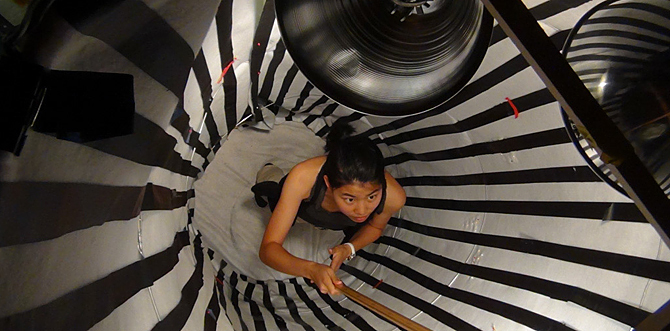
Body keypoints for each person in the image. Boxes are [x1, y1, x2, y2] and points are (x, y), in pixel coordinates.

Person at [252, 121, 406, 296]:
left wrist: (349, 247)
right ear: (328, 184)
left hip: (332, 221)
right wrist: (311, 269)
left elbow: (375, 227)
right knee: (271, 185)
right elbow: (268, 249)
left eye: (371, 197)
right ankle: (268, 172)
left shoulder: (394, 197)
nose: (362, 210)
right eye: (350, 199)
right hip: (303, 208)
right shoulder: (302, 177)